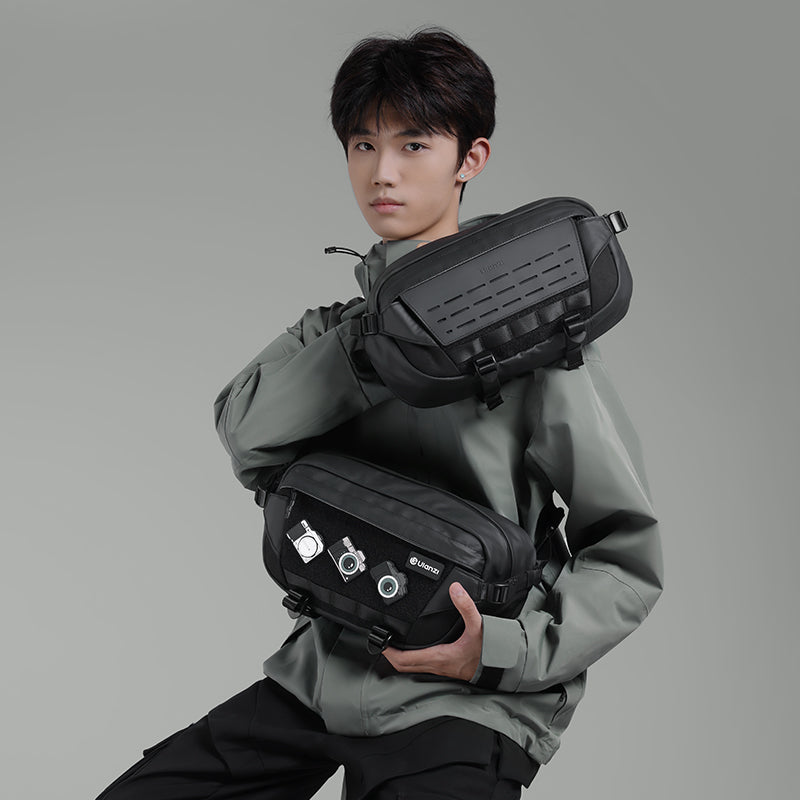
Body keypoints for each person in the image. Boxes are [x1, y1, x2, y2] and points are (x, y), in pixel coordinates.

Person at [94, 27, 663, 800]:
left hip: (466, 701)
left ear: (470, 160)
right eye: (363, 145)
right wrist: (375, 345)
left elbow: (626, 555)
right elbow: (246, 436)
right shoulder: (330, 333)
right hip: (320, 675)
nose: (382, 172)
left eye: (414, 145)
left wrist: (504, 649)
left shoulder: (543, 353)